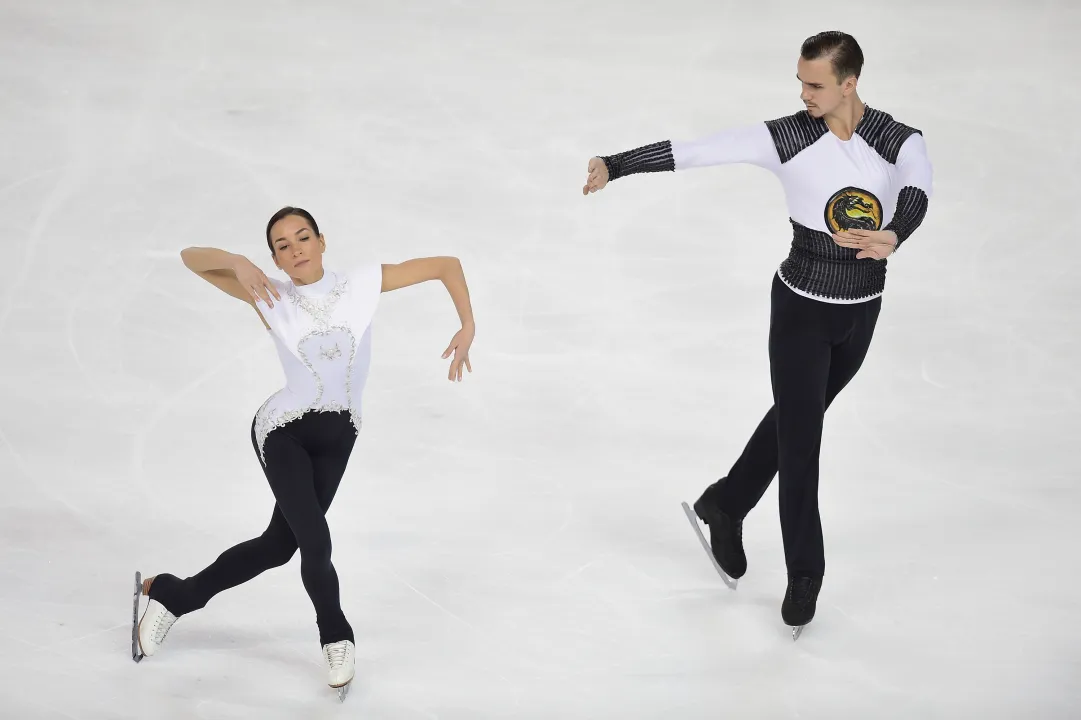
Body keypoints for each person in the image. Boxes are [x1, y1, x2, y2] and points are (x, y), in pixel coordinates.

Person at [581, 31, 932, 636]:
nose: (804, 94)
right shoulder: (788, 137)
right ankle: (806, 575)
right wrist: (617, 165)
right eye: (800, 81)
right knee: (803, 442)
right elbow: (696, 151)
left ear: (849, 83)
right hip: (799, 310)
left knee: (799, 417)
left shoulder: (898, 140)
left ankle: (726, 502)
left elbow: (920, 190)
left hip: (862, 312)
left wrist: (894, 233)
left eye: (816, 84)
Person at [133, 206, 476, 697]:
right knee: (315, 542)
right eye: (282, 246)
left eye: (302, 238)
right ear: (273, 257)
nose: (295, 251)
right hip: (284, 431)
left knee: (279, 545)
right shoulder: (268, 296)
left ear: (321, 240)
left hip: (340, 437)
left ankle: (174, 594)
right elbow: (190, 258)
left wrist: (467, 325)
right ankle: (336, 635)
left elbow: (447, 265)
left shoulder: (362, 283)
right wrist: (237, 262)